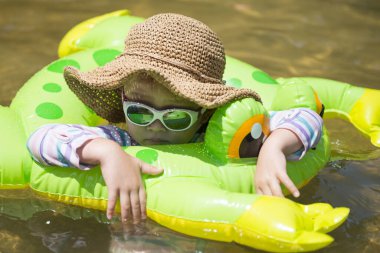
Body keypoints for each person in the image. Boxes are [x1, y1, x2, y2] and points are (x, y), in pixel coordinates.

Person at [27, 13, 322, 222]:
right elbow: (41, 138)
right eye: (140, 112)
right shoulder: (123, 139)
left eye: (176, 117)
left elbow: (305, 117)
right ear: (123, 101)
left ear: (204, 111)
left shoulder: (214, 136)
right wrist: (106, 153)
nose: (155, 126)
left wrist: (274, 146)